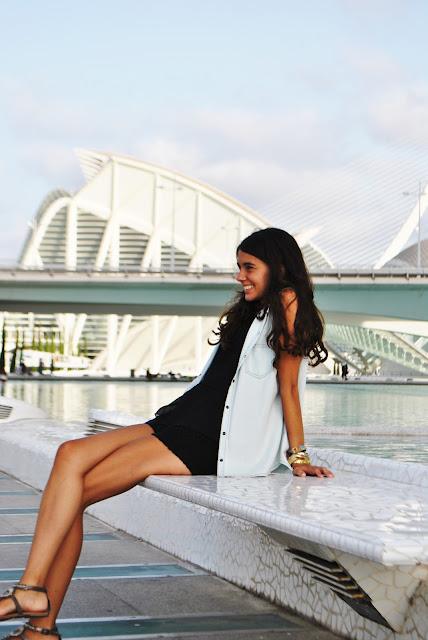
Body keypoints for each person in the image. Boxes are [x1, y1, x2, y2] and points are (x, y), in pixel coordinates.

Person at [0, 228, 333, 640]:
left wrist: (298, 457)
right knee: (71, 454)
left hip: (210, 438)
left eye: (249, 267)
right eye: (238, 267)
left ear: (279, 269)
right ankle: (34, 602)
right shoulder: (253, 310)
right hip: (180, 419)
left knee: (77, 493)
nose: (239, 276)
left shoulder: (287, 300)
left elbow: (287, 389)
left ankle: (37, 615)